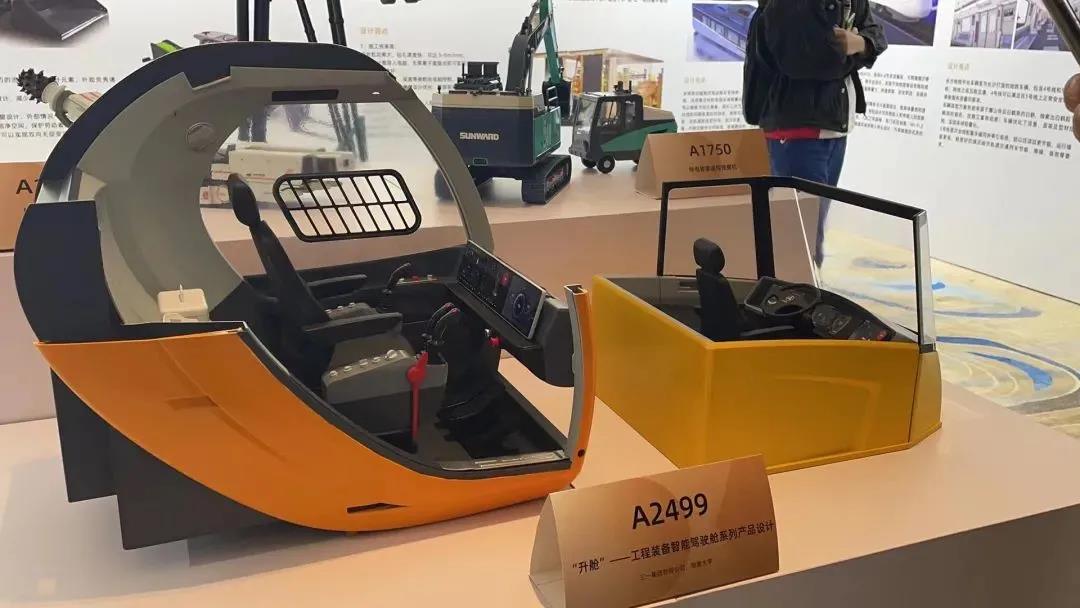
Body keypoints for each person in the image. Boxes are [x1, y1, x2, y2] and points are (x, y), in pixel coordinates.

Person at [743, 0, 887, 266]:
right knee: (798, 239)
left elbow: (877, 35)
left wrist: (860, 44)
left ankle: (802, 287)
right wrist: (857, 49)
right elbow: (809, 62)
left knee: (811, 234)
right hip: (797, 130)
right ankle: (793, 290)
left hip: (833, 127)